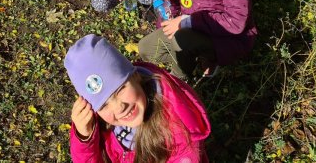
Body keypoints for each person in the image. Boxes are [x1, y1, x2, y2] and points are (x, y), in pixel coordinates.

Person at [65, 34, 210, 162]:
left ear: (135, 76)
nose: (119, 107)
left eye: (120, 89)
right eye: (103, 105)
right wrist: (85, 138)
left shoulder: (179, 131)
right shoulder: (99, 121)